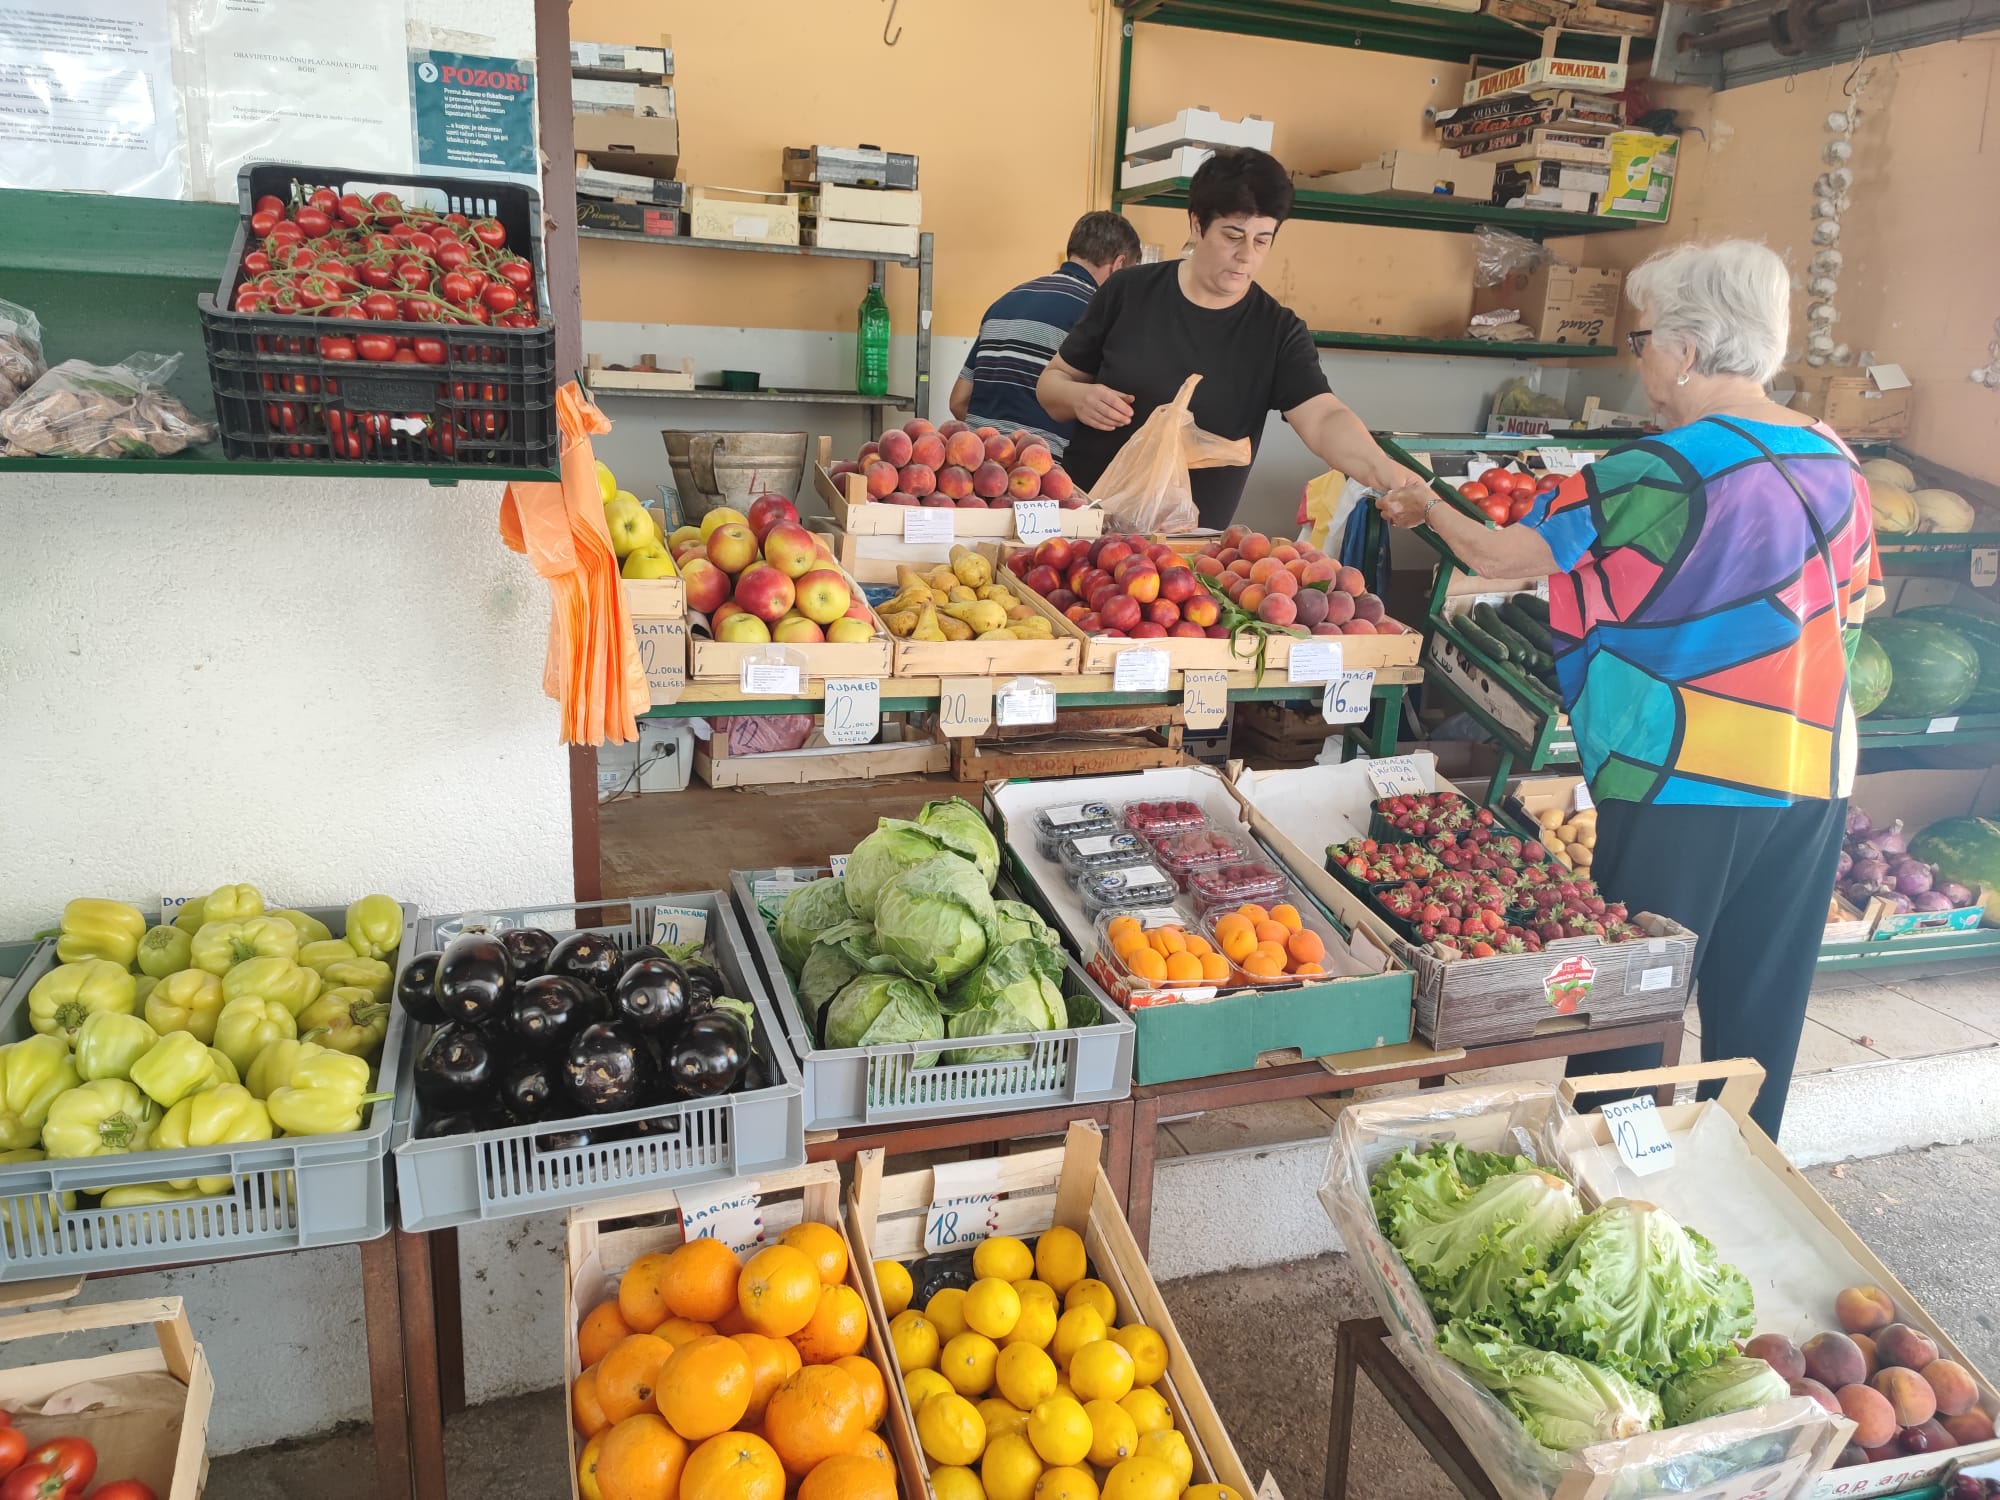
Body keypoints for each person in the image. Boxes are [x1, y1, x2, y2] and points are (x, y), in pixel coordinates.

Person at [1376, 239, 1882, 1140]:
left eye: (1643, 339)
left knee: (1633, 1002)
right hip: (1813, 769)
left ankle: (1615, 1173)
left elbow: (1497, 556)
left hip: (1684, 771)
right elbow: (1858, 600)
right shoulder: (1833, 457)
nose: (1638, 359)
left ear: (1687, 350)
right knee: (1760, 1004)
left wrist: (1424, 506)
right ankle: (1741, 1172)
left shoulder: (1664, 468)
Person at [1036, 147, 1429, 530]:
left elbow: (1325, 417)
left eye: (1262, 240)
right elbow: (1051, 384)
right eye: (1233, 235)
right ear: (1196, 224)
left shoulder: (1276, 331)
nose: (1246, 255)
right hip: (1081, 529)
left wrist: (1392, 476)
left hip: (1187, 557)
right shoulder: (1129, 292)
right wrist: (1079, 398)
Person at [948, 211, 1142, 455]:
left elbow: (958, 400)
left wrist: (1000, 445)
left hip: (980, 468)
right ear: (1119, 264)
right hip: (1045, 477)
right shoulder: (1099, 314)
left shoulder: (1004, 303)